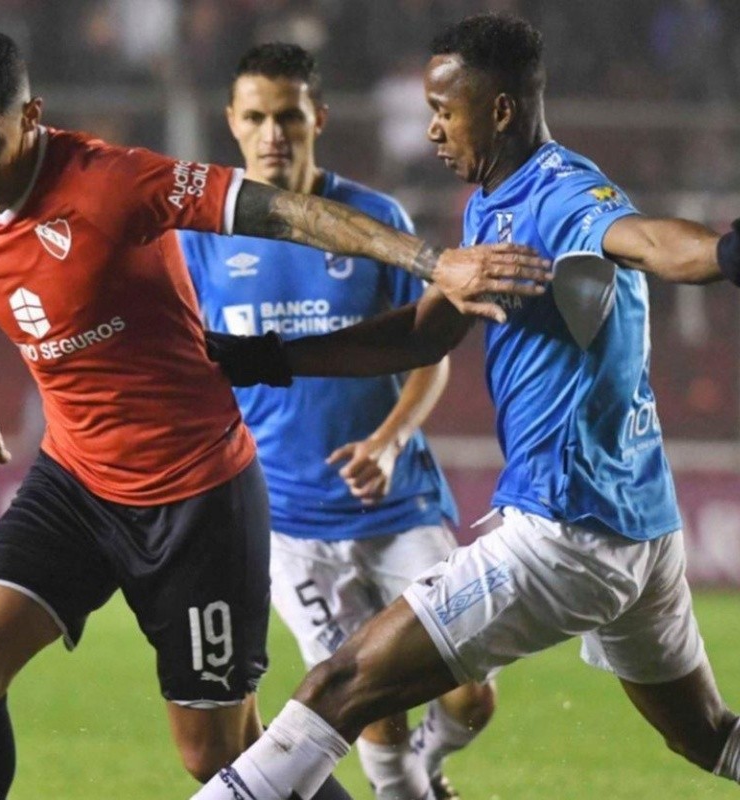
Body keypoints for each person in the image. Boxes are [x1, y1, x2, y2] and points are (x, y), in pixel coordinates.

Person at [0, 26, 550, 800]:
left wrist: (435, 263)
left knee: (215, 755)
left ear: (30, 117)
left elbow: (285, 214)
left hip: (197, 500)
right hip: (76, 483)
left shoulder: (113, 182)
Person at [192, 12, 740, 799]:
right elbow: (420, 336)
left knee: (340, 687)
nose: (433, 130)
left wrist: (723, 252)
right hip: (641, 528)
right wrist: (273, 358)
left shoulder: (560, 194)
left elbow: (650, 242)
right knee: (706, 735)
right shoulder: (494, 199)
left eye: (445, 110)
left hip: (566, 529)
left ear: (502, 110)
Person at [179, 42, 495, 800]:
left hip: (397, 505)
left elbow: (430, 352)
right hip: (289, 524)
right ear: (232, 122)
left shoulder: (372, 221)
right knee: (373, 706)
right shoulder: (201, 241)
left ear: (316, 116)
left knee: (469, 697)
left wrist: (388, 443)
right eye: (255, 116)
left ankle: (429, 767)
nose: (272, 132)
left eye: (288, 115)